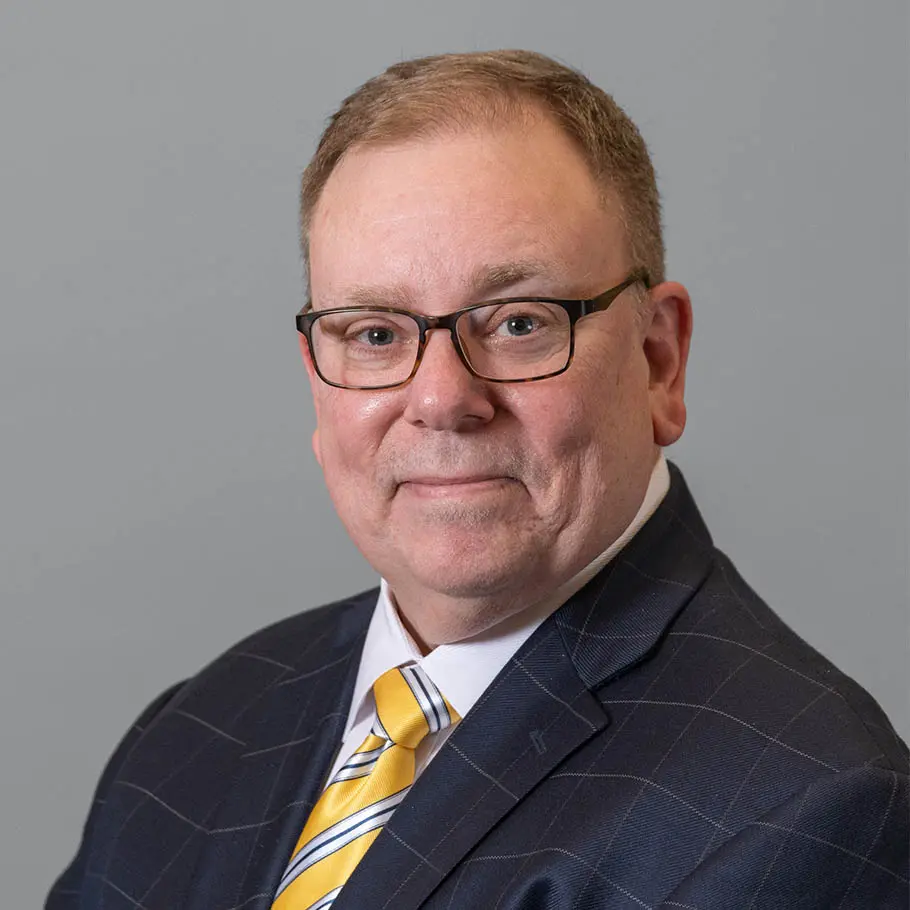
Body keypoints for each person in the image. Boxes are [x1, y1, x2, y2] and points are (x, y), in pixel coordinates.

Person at [47, 50, 908, 910]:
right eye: (376, 335)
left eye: (519, 322)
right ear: (317, 380)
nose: (442, 399)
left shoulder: (805, 811)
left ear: (658, 362)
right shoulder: (199, 729)